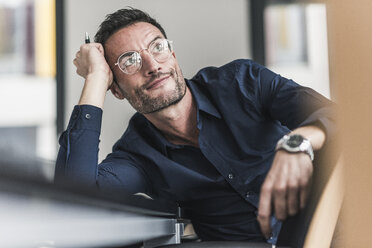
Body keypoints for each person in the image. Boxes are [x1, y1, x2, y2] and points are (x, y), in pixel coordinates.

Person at [55, 7, 336, 245]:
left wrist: (298, 144)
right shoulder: (138, 154)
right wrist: (94, 78)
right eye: (130, 61)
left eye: (158, 47)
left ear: (173, 56)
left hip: (332, 233)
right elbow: (75, 201)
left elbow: (335, 116)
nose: (153, 65)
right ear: (115, 89)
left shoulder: (243, 83)